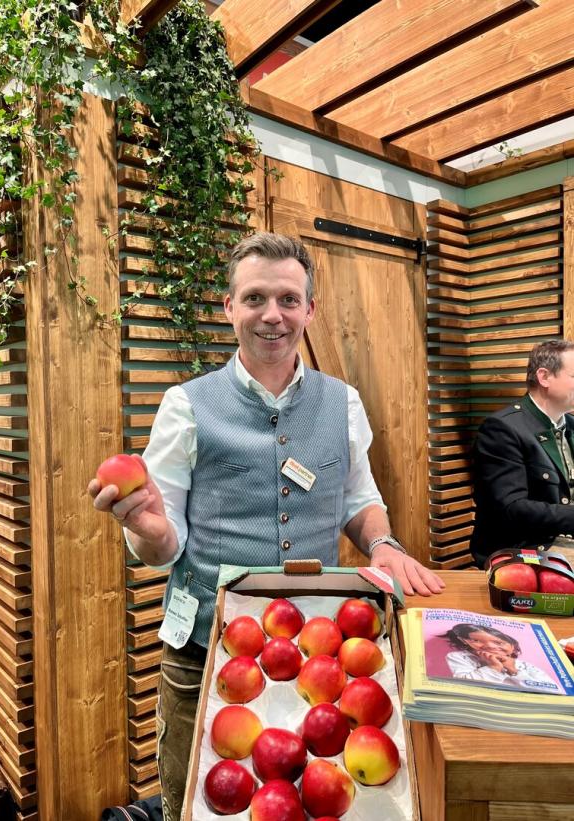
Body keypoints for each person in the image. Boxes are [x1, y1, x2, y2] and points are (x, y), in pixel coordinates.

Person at [89, 232, 444, 820]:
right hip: (208, 650)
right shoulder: (186, 405)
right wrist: (148, 531)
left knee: (317, 801)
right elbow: (162, 541)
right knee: (198, 803)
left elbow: (358, 497)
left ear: (310, 309)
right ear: (229, 308)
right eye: (254, 298)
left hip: (320, 657)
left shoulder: (345, 404)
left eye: (287, 298)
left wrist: (381, 543)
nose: (271, 314)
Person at [470, 339, 574, 567]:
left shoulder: (570, 425)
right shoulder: (502, 429)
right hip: (525, 552)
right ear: (544, 377)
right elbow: (512, 508)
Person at [441, 623, 557, 688]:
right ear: (465, 641)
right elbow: (465, 685)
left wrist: (513, 670)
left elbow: (551, 689)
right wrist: (493, 667)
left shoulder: (524, 666)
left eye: (499, 642)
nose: (490, 646)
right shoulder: (460, 657)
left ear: (512, 647)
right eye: (476, 641)